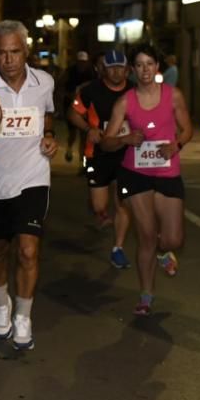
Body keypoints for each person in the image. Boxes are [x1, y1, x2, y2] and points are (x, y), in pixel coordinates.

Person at [0, 20, 57, 350]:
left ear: (26, 51)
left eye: (15, 52)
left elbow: (47, 115)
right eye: (2, 53)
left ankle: (23, 315)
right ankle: (0, 306)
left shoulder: (45, 82)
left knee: (27, 249)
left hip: (33, 175)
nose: (9, 60)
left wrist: (49, 135)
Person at [101, 45, 192, 316]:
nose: (145, 70)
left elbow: (188, 129)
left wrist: (176, 145)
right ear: (132, 70)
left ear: (157, 67)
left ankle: (165, 252)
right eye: (139, 65)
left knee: (173, 238)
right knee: (147, 236)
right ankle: (146, 295)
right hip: (135, 173)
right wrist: (124, 140)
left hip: (167, 172)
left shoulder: (173, 96)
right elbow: (106, 142)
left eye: (149, 64)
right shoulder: (125, 102)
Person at [67, 49, 134, 269]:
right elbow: (73, 113)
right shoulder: (91, 90)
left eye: (120, 67)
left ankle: (118, 248)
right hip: (97, 154)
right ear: (104, 69)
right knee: (99, 205)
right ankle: (99, 212)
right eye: (111, 67)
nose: (116, 72)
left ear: (127, 69)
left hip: (126, 154)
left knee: (123, 201)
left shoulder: (135, 90)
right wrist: (89, 129)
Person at [57, 50, 94, 163]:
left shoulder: (91, 72)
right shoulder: (70, 72)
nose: (82, 64)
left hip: (86, 106)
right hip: (71, 105)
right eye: (80, 62)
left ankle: (82, 163)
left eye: (84, 62)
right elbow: (60, 86)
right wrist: (67, 97)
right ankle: (69, 149)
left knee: (84, 134)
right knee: (72, 132)